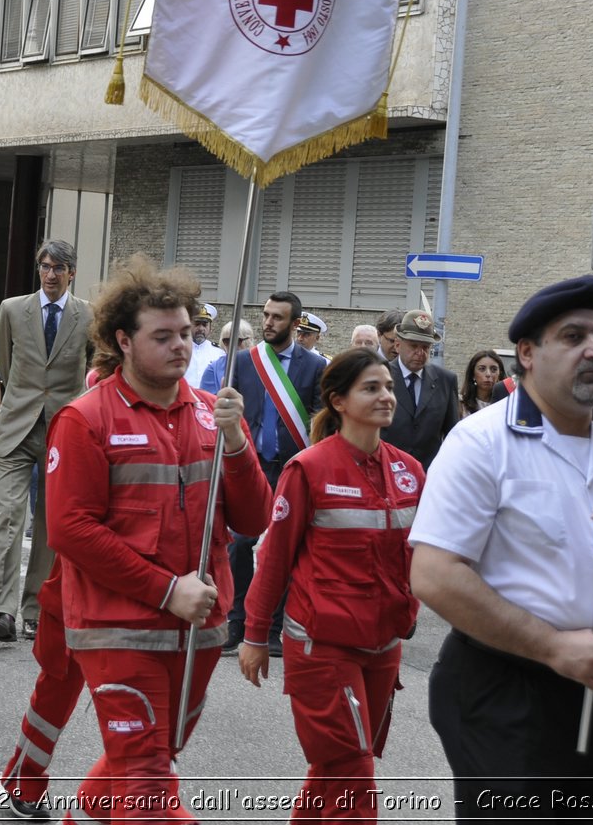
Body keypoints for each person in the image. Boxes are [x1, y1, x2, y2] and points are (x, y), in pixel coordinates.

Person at [409, 275, 593, 817]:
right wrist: (551, 646)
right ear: (527, 353)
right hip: (507, 693)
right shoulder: (482, 441)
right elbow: (434, 574)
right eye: (573, 337)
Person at [46, 254, 270, 824]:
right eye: (163, 335)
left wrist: (238, 445)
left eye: (189, 334)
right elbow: (70, 530)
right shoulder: (84, 419)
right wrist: (166, 589)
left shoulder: (211, 414)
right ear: (123, 340)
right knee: (147, 779)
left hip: (196, 628)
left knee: (148, 757)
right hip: (118, 627)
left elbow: (253, 518)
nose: (182, 347)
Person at [238, 347, 425, 823]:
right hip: (321, 647)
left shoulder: (410, 470)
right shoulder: (308, 469)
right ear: (338, 401)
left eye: (388, 386)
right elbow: (273, 561)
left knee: (333, 771)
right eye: (371, 388)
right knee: (353, 782)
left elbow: (425, 555)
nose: (386, 396)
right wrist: (255, 635)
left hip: (383, 646)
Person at [0, 240, 93, 643]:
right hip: (16, 427)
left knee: (51, 527)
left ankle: (36, 610)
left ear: (71, 273)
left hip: (63, 433)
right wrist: (22, 403)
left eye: (58, 268)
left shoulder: (87, 315)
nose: (50, 274)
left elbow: (92, 369)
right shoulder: (13, 309)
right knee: (9, 518)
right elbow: (6, 366)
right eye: (44, 267)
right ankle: (0, 610)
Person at [224, 291, 326, 654]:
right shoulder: (243, 361)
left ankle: (271, 628)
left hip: (292, 469)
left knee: (284, 548)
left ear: (295, 324)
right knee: (239, 544)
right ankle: (236, 623)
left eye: (277, 317)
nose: (268, 323)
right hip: (251, 466)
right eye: (266, 315)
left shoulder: (314, 366)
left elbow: (321, 418)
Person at [0, 556, 85, 821]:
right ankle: (24, 780)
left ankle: (140, 794)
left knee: (143, 713)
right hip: (85, 581)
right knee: (57, 688)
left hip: (157, 589)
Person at [381, 309, 461, 469]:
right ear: (398, 345)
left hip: (429, 476)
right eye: (414, 346)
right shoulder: (380, 376)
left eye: (425, 347)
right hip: (386, 471)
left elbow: (452, 434)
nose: (420, 353)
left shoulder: (445, 380)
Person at [199, 319, 255, 394]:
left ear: (248, 341)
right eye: (227, 341)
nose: (231, 345)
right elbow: (206, 400)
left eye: (237, 341)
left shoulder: (259, 365)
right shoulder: (213, 369)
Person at [183, 302, 223, 389]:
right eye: (197, 324)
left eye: (205, 325)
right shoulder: (180, 349)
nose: (201, 328)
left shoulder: (219, 353)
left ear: (210, 328)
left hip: (209, 401)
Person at [458, 350, 505, 417]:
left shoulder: (507, 404)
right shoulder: (460, 404)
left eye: (494, 369)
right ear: (473, 374)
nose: (488, 374)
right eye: (482, 369)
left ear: (500, 374)